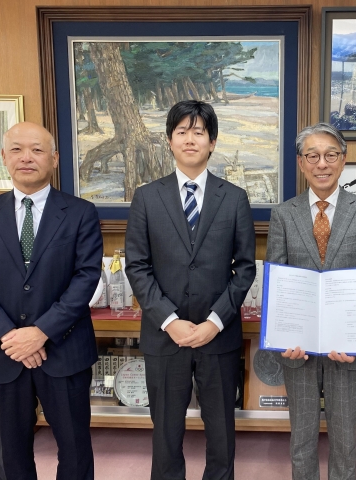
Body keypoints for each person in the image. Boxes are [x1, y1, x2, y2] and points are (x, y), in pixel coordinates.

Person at [0, 122, 103, 479]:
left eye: (37, 150)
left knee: (75, 451)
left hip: (64, 351)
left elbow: (86, 279)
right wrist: (10, 336)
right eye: (17, 149)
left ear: (54, 159)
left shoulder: (81, 212)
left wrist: (41, 332)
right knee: (12, 454)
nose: (27, 157)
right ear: (4, 157)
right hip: (2, 354)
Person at [125, 100, 256, 480]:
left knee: (222, 432)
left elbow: (244, 268)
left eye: (198, 132)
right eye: (182, 131)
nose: (190, 139)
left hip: (219, 336)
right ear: (169, 140)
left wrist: (215, 321)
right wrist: (169, 320)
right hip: (165, 337)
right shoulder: (147, 197)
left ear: (212, 142)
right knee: (166, 431)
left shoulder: (234, 198)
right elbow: (137, 266)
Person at [265, 122, 356, 480]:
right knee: (301, 438)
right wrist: (284, 338)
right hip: (298, 349)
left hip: (346, 348)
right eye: (313, 156)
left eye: (330, 155)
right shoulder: (283, 214)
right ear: (302, 163)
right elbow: (278, 279)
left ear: (343, 160)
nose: (322, 163)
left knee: (344, 437)